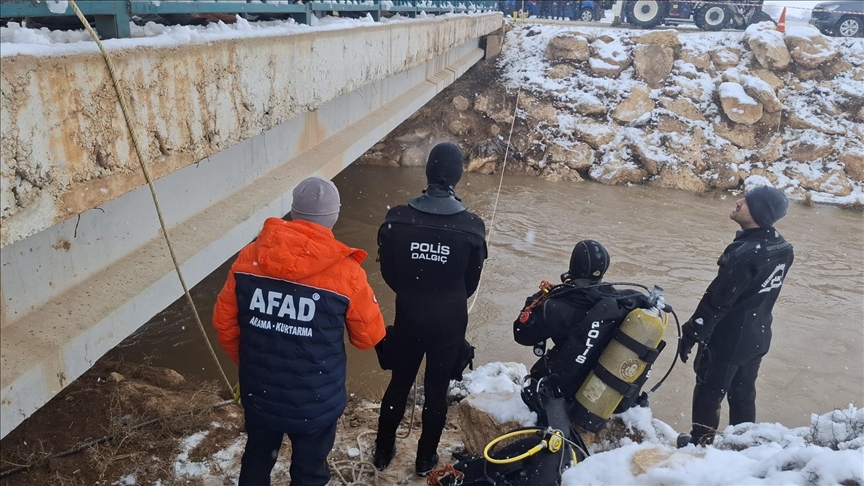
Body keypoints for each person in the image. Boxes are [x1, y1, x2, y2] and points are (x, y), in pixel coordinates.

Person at [212, 177, 386, 486]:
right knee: (309, 472)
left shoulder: (248, 258)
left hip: (260, 392)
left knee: (257, 457)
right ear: (333, 216)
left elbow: (224, 324)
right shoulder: (347, 273)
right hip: (316, 400)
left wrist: (253, 364)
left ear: (293, 212)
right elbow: (368, 338)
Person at [373, 142, 487, 476]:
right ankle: (425, 459)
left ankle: (382, 453)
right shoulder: (471, 228)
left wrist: (415, 292)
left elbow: (389, 274)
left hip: (409, 314)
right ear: (457, 175)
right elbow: (470, 285)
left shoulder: (396, 219)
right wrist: (441, 296)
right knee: (437, 392)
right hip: (449, 321)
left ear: (428, 171)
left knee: (399, 384)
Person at [678, 185, 794, 446]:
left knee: (708, 392)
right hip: (759, 334)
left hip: (729, 338)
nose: (739, 202)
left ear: (760, 214)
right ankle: (743, 447)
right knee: (743, 395)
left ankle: (700, 446)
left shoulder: (744, 254)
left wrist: (691, 332)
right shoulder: (783, 247)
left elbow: (717, 301)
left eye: (747, 201)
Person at [513, 240, 653, 407]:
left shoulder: (556, 307)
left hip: (566, 389)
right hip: (601, 382)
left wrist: (536, 300)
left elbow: (521, 334)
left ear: (573, 265)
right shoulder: (621, 301)